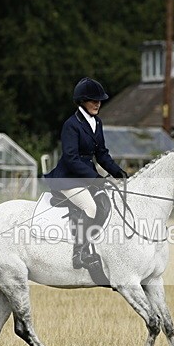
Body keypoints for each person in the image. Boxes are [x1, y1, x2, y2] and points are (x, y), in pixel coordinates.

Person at [44, 77, 127, 269]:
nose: (98, 103)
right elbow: (71, 158)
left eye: (99, 100)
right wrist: (95, 178)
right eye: (93, 100)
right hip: (68, 179)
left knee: (106, 203)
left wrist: (118, 172)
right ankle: (79, 254)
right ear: (82, 101)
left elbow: (102, 154)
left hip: (85, 178)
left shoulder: (97, 122)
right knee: (91, 207)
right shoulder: (71, 124)